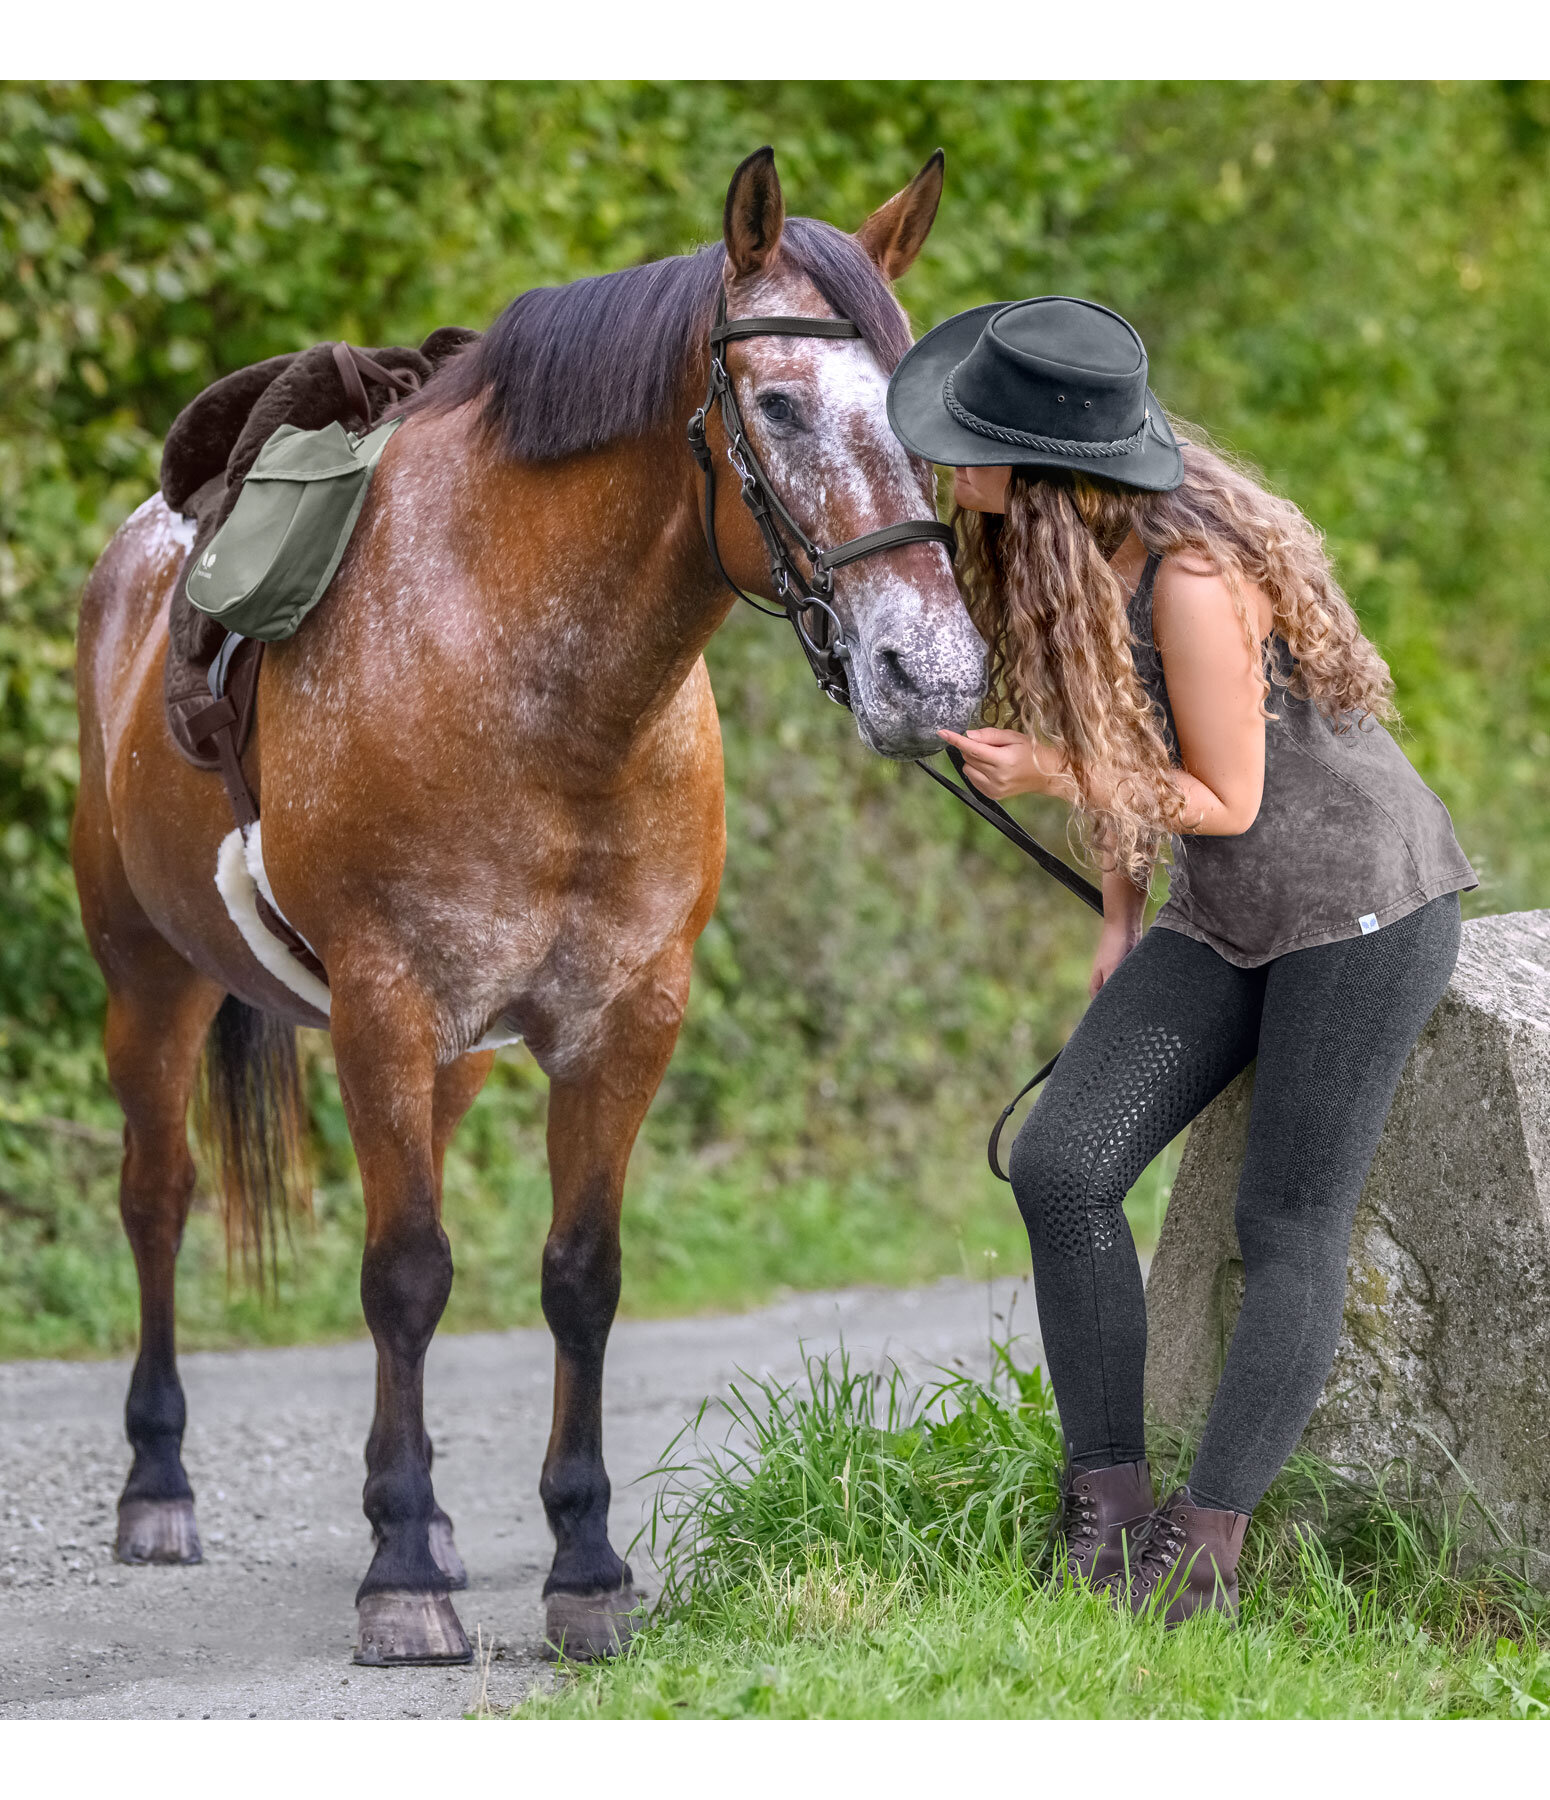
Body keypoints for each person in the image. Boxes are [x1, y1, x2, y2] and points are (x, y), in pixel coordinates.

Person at [886, 297, 1476, 1625]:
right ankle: (1107, 1512)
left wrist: (1050, 772)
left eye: (968, 444)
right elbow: (1124, 752)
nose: (944, 464)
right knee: (1061, 1164)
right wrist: (1112, 918)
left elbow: (1221, 794)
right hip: (1221, 913)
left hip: (1356, 909)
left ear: (1045, 475)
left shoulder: (1194, 577)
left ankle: (1202, 1550)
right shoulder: (1065, 565)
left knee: (1284, 1222)